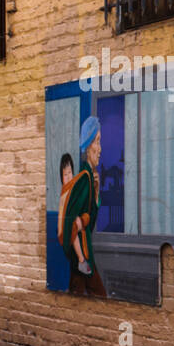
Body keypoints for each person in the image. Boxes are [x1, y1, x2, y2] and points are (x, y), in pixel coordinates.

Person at [61, 117, 108, 297]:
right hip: (82, 257)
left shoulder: (90, 177)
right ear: (88, 147)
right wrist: (81, 222)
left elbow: (91, 223)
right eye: (97, 142)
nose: (100, 149)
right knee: (98, 296)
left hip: (83, 258)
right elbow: (72, 221)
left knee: (76, 296)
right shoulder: (83, 178)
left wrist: (96, 194)